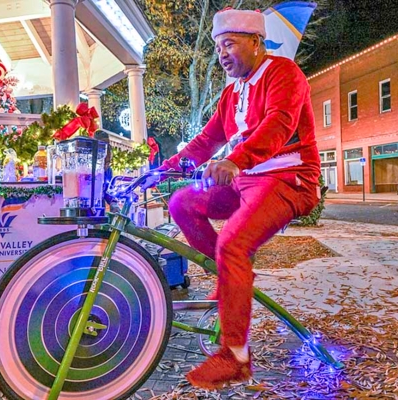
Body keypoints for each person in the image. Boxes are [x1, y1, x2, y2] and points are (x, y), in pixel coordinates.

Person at [148, 8, 321, 389]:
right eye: (218, 47)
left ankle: (236, 356)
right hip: (247, 178)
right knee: (182, 202)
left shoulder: (283, 74)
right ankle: (229, 277)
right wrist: (165, 168)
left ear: (257, 42)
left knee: (233, 242)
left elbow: (280, 124)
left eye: (229, 44)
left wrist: (235, 159)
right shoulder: (232, 93)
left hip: (287, 178)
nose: (222, 54)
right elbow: (208, 139)